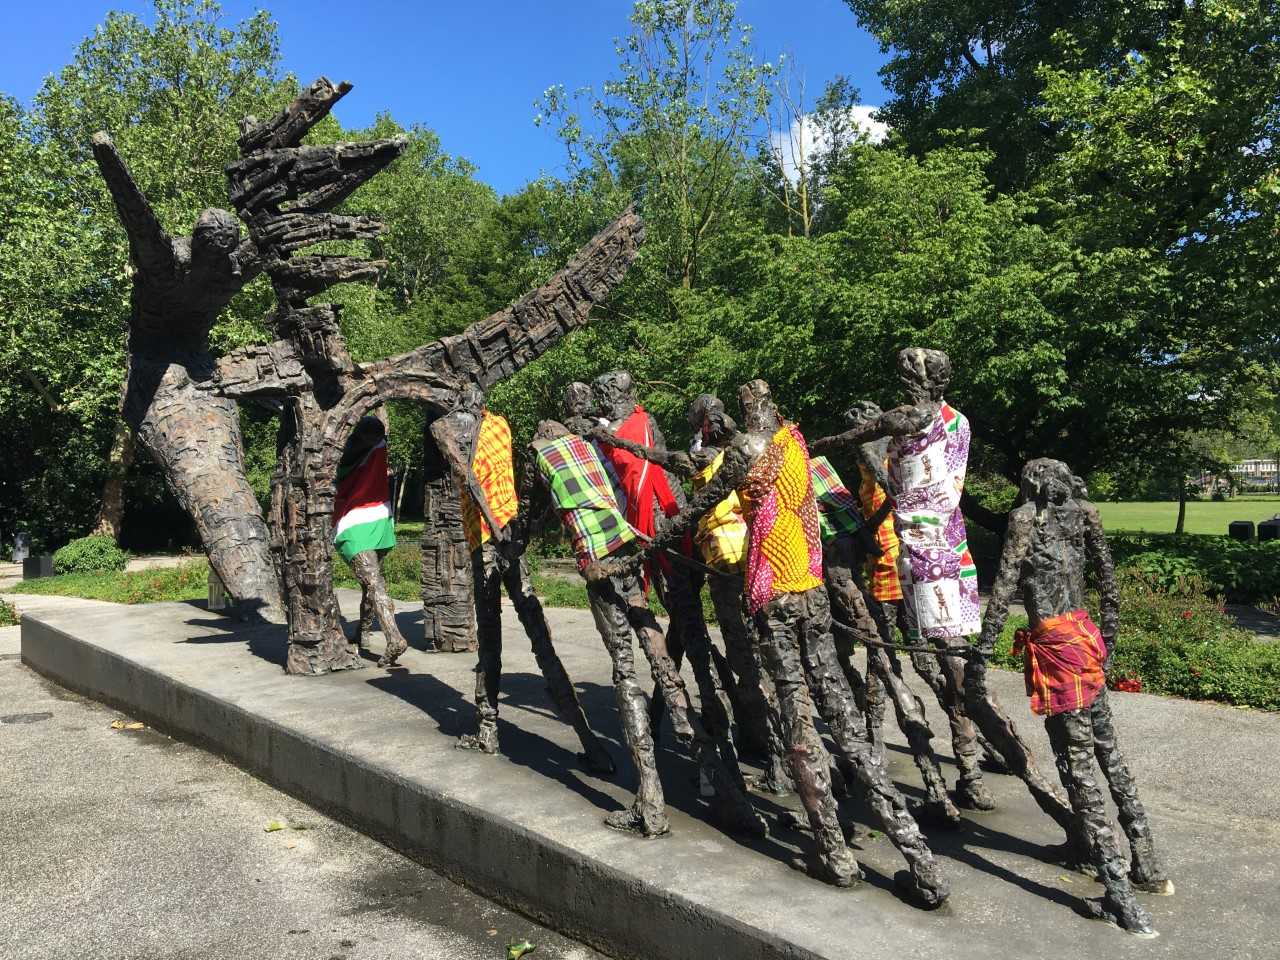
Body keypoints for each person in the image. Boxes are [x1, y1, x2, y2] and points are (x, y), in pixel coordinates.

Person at [597, 380, 948, 905]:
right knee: (845, 724)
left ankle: (832, 850)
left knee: (797, 716)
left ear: (740, 415)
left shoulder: (746, 453)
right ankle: (922, 862)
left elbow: (694, 513)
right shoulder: (794, 444)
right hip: (810, 592)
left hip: (778, 600)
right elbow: (850, 435)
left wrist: (631, 557)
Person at [812, 349, 1074, 843]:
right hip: (952, 551)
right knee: (949, 666)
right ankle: (973, 766)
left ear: (919, 380)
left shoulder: (907, 418)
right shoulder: (959, 420)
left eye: (906, 373)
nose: (903, 381)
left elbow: (863, 455)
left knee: (924, 668)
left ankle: (1007, 778)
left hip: (919, 555)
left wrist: (799, 445)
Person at [524, 417, 762, 839]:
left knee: (626, 673)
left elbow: (531, 518)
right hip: (631, 548)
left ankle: (650, 802)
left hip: (600, 565)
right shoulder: (585, 447)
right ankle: (729, 794)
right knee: (667, 672)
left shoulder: (539, 455)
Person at [978, 458, 1172, 937]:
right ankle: (1147, 866)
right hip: (1085, 642)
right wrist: (1106, 640)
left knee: (1080, 761)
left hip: (1057, 647)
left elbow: (1003, 585)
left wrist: (983, 646)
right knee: (1110, 756)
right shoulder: (1086, 512)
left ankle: (1122, 898)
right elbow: (1109, 582)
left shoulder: (1025, 518)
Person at [430, 386, 613, 772]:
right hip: (506, 537)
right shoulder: (497, 424)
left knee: (497, 640)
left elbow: (470, 478)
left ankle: (489, 728)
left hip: (491, 540)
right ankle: (586, 740)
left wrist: (497, 529)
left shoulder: (452, 427)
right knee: (536, 636)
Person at [842, 400, 995, 812]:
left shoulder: (874, 450)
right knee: (936, 665)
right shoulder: (896, 446)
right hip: (907, 561)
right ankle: (975, 758)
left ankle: (883, 756)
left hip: (896, 566)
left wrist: (861, 530)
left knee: (890, 664)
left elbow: (898, 498)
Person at [810, 449, 961, 825]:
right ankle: (964, 765)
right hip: (891, 581)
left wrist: (868, 535)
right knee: (910, 673)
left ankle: (931, 785)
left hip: (886, 583)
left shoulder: (876, 471)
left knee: (890, 676)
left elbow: (888, 516)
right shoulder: (860, 475)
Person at [333, 415, 408, 667]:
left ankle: (394, 637)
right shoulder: (381, 445)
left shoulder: (349, 451)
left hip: (355, 522)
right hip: (381, 520)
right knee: (372, 583)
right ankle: (363, 632)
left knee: (374, 584)